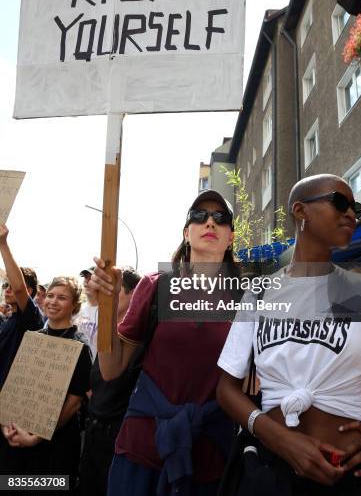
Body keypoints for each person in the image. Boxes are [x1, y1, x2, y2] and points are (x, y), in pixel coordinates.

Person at [217, 174, 361, 495]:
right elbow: (226, 389)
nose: (351, 213)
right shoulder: (261, 292)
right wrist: (278, 438)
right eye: (339, 202)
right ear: (300, 211)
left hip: (353, 477)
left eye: (355, 208)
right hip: (273, 473)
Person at [89, 189, 239, 496]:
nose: (209, 222)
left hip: (208, 455)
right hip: (142, 448)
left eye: (220, 218)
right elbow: (111, 369)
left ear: (231, 238)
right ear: (187, 233)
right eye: (199, 217)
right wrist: (107, 306)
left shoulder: (246, 298)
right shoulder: (156, 286)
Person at [1, 275, 93, 493]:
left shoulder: (79, 345)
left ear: (74, 305)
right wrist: (7, 426)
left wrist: (36, 437)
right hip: (18, 439)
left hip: (55, 447)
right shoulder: (33, 338)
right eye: (50, 295)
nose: (53, 301)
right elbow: (19, 386)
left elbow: (74, 402)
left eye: (62, 297)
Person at [79, 266, 142, 496]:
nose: (108, 299)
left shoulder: (140, 340)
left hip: (117, 440)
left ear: (135, 294)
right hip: (93, 433)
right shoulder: (106, 332)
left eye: (116, 292)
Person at [0, 225, 44, 390]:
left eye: (12, 285)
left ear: (29, 291)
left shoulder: (31, 319)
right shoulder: (10, 319)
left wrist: (3, 244)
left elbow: (19, 289)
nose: (8, 289)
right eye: (6, 285)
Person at [76, 266, 99, 359]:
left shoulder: (107, 313)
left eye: (91, 278)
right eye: (85, 277)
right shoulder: (77, 309)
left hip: (96, 368)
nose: (86, 281)